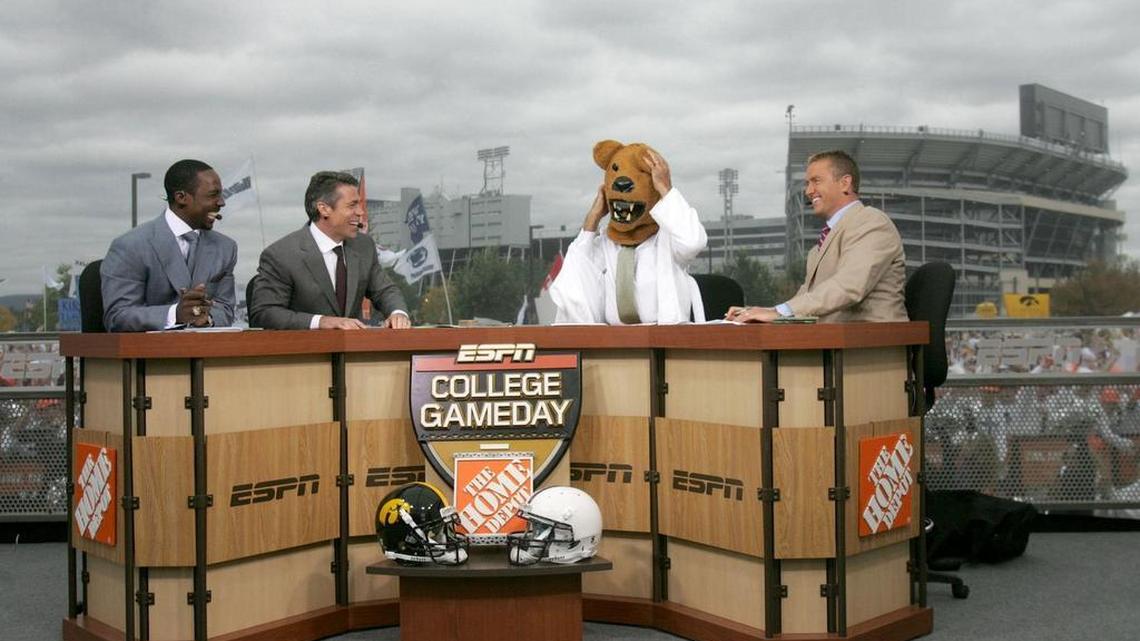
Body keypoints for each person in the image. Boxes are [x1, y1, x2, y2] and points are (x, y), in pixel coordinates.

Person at [727, 150, 906, 323]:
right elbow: (806, 301)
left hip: (873, 340)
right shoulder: (818, 248)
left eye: (816, 181)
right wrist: (757, 312)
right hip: (831, 339)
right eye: (808, 183)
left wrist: (779, 312)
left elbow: (849, 286)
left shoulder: (871, 222)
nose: (808, 191)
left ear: (845, 183)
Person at [550, 144, 707, 324]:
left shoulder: (668, 241)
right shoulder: (605, 245)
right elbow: (574, 278)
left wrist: (666, 190)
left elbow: (693, 242)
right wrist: (593, 218)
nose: (622, 184)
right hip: (615, 338)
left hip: (663, 336)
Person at [249, 171, 410, 330]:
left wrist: (398, 313)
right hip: (305, 346)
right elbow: (265, 313)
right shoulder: (281, 255)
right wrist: (321, 322)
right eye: (352, 205)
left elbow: (385, 290)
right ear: (324, 209)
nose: (360, 212)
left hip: (353, 345)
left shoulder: (364, 246)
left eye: (360, 204)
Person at [101, 159, 237, 331]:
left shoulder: (225, 248)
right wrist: (175, 315)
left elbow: (225, 308)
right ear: (181, 197)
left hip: (206, 347)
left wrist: (207, 319)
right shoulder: (130, 246)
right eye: (213, 195)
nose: (221, 202)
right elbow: (118, 316)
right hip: (151, 348)